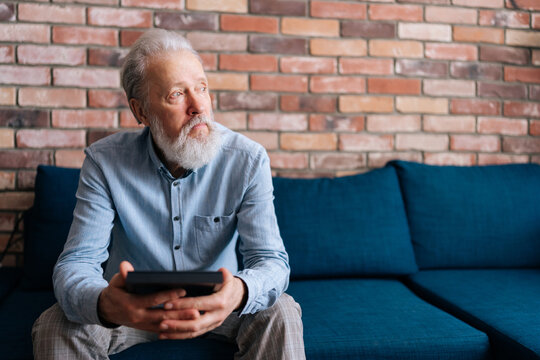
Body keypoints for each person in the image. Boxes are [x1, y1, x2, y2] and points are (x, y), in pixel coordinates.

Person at [32, 28, 305, 360]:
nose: (197, 106)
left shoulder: (247, 160)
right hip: (131, 313)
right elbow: (76, 263)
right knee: (53, 323)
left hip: (218, 310)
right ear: (142, 112)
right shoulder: (105, 162)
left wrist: (239, 291)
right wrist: (104, 303)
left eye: (201, 88)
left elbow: (271, 261)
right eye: (177, 94)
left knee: (282, 310)